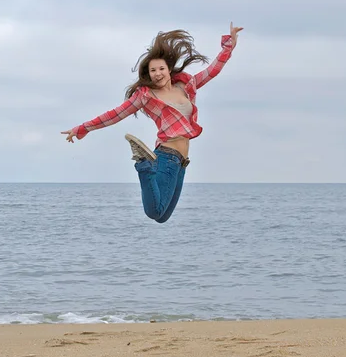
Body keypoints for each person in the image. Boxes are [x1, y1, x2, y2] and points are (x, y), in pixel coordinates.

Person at [61, 22, 243, 223]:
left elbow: (213, 70)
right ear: (148, 74)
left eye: (161, 69)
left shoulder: (186, 85)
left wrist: (229, 45)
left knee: (162, 217)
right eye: (153, 70)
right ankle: (144, 164)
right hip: (166, 156)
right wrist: (82, 128)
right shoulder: (146, 96)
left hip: (182, 162)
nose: (158, 73)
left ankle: (146, 163)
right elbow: (115, 114)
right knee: (154, 212)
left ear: (168, 69)